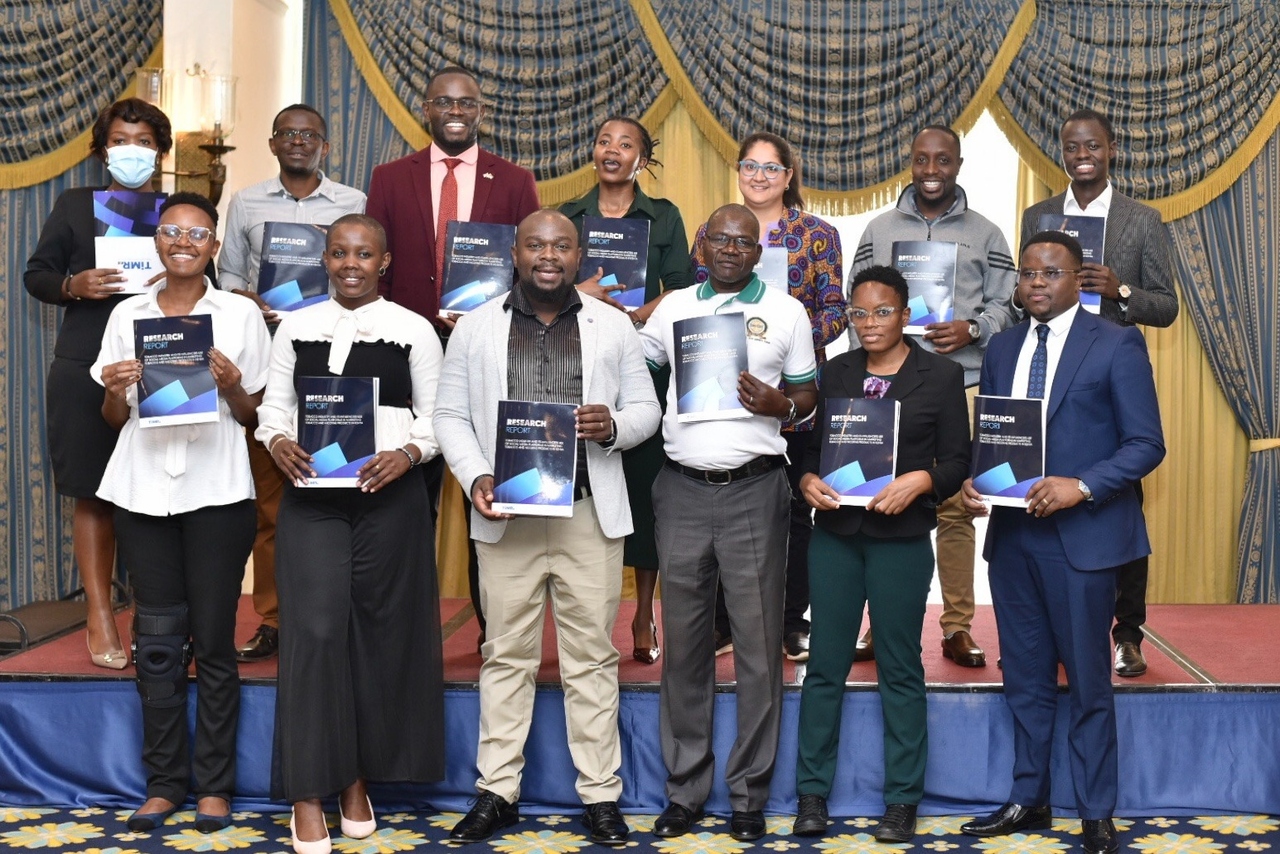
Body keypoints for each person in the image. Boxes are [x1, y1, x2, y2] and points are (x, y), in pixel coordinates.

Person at [433, 210, 660, 845]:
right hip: (506, 517)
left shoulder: (612, 325)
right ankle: (495, 791)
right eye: (536, 244)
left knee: (592, 657)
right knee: (505, 655)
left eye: (561, 245)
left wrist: (611, 425)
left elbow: (648, 410)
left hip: (588, 511)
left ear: (579, 252)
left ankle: (601, 797)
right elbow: (450, 415)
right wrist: (477, 474)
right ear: (515, 251)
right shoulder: (476, 327)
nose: (548, 255)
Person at [958, 232, 1165, 854]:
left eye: (1052, 272)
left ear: (1079, 279)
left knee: (1088, 680)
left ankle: (1097, 811)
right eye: (1027, 274)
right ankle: (1029, 797)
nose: (1037, 283)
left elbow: (1146, 444)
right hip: (1015, 539)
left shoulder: (1118, 342)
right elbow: (994, 435)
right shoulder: (1002, 346)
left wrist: (1082, 485)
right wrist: (976, 481)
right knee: (1024, 678)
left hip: (1084, 539)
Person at [91, 192, 271, 832]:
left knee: (216, 642)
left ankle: (216, 785)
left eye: (198, 233)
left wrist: (229, 386)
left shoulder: (241, 316)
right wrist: (117, 390)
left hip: (218, 491)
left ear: (215, 246)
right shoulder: (128, 314)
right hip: (143, 492)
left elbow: (254, 415)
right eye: (172, 231)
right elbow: (115, 418)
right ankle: (165, 782)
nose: (184, 241)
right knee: (159, 645)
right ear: (158, 243)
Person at [641, 204, 817, 842]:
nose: (733, 250)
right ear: (701, 242)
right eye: (721, 238)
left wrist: (782, 406)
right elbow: (639, 382)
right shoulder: (671, 309)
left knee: (758, 648)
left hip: (754, 491)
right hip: (681, 490)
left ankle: (748, 795)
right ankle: (685, 791)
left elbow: (807, 396)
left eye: (745, 241)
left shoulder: (788, 311)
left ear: (757, 248)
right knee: (684, 648)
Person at [792, 265, 969, 842]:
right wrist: (807, 479)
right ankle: (812, 797)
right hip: (835, 538)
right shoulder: (835, 370)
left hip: (902, 543)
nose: (869, 324)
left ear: (907, 311)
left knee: (900, 668)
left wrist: (922, 480)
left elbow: (958, 462)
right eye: (858, 313)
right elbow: (806, 447)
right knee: (824, 668)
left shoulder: (940, 375)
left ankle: (901, 802)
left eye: (882, 311)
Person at [367, 65, 541, 647]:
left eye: (466, 102)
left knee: (484, 482)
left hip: (487, 346)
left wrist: (496, 312)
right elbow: (375, 265)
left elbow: (534, 267)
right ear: (427, 108)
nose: (455, 110)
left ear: (481, 111)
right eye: (444, 101)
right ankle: (405, 627)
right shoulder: (390, 178)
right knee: (409, 486)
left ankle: (495, 627)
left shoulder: (515, 180)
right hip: (406, 348)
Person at [849, 125, 1017, 668]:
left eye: (942, 161)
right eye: (921, 159)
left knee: (953, 512)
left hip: (958, 384)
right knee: (882, 505)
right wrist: (876, 364)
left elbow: (1008, 306)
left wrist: (974, 329)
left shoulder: (987, 232)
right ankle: (882, 625)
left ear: (959, 164)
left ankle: (957, 627)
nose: (930, 170)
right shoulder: (879, 228)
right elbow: (859, 304)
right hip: (888, 391)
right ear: (910, 161)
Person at [1019, 108, 1179, 678]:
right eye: (1070, 145)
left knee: (1120, 498)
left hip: (1110, 374)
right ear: (1061, 152)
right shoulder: (1039, 214)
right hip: (1047, 372)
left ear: (1111, 149)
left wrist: (1123, 287)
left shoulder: (1141, 220)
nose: (1081, 153)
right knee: (1046, 492)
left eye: (1092, 144)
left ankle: (1127, 633)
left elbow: (1166, 306)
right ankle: (1053, 622)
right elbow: (1023, 292)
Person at [24, 97, 174, 669]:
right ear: (101, 149)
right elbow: (36, 274)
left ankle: (159, 612)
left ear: (160, 151)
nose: (131, 150)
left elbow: (205, 277)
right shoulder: (75, 204)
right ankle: (99, 612)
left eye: (142, 141)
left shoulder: (178, 209)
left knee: (160, 491)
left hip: (164, 359)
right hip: (86, 360)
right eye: (119, 140)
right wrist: (73, 285)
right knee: (94, 489)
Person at [218, 103, 367, 664]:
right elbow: (229, 274)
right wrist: (245, 299)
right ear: (274, 142)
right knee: (273, 501)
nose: (299, 142)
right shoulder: (247, 202)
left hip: (339, 358)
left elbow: (369, 269)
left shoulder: (353, 203)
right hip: (270, 356)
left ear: (325, 146)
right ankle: (276, 619)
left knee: (342, 484)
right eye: (289, 134)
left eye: (311, 135)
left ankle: (341, 615)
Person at [691, 132, 846, 662]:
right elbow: (698, 305)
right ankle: (722, 623)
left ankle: (790, 621)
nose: (759, 175)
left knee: (795, 514)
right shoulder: (709, 230)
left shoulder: (818, 234)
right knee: (721, 511)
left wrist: (783, 344)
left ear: (788, 175)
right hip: (722, 394)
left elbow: (834, 309)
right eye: (750, 165)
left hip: (797, 397)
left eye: (771, 168)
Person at [559, 115, 691, 665]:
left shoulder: (664, 216)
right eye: (604, 142)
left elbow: (684, 285)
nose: (613, 150)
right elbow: (540, 278)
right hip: (577, 366)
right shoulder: (568, 216)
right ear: (594, 154)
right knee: (582, 488)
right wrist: (580, 291)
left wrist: (639, 312)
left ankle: (642, 613)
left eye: (626, 144)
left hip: (642, 364)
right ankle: (585, 614)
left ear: (643, 158)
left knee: (644, 491)